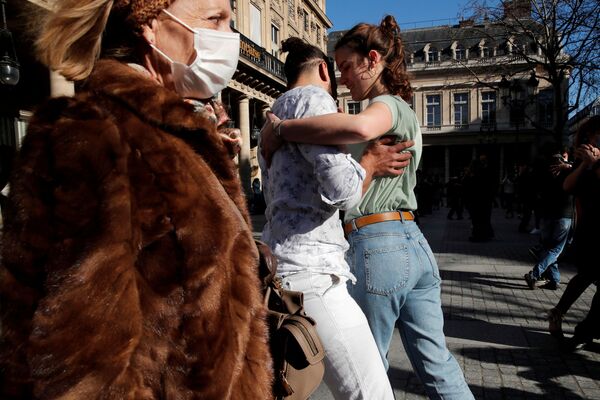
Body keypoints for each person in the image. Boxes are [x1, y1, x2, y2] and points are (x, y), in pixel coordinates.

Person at [0, 0, 272, 398]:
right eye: (214, 19)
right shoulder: (97, 134)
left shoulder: (170, 132)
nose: (229, 38)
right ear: (151, 27)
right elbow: (81, 354)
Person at [261, 15, 474, 400]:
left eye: (346, 66)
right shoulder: (403, 111)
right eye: (336, 68)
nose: (342, 78)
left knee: (366, 374)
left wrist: (281, 129)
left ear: (372, 60)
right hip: (413, 241)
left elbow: (357, 133)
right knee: (436, 364)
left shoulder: (382, 108)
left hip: (376, 242)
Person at [260, 36, 411, 399]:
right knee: (371, 394)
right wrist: (369, 163)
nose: (342, 81)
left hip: (285, 266)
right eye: (338, 71)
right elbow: (342, 189)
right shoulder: (315, 101)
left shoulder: (274, 114)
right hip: (314, 274)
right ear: (323, 70)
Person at [548, 115, 600, 350]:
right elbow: (568, 186)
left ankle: (570, 320)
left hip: (589, 227)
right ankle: (580, 328)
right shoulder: (585, 161)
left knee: (587, 277)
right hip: (592, 228)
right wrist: (584, 165)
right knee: (587, 275)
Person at [523, 147, 573, 291]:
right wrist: (568, 166)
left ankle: (554, 280)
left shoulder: (543, 170)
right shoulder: (569, 169)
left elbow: (535, 188)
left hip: (546, 213)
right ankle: (534, 274)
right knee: (555, 249)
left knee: (547, 248)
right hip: (564, 214)